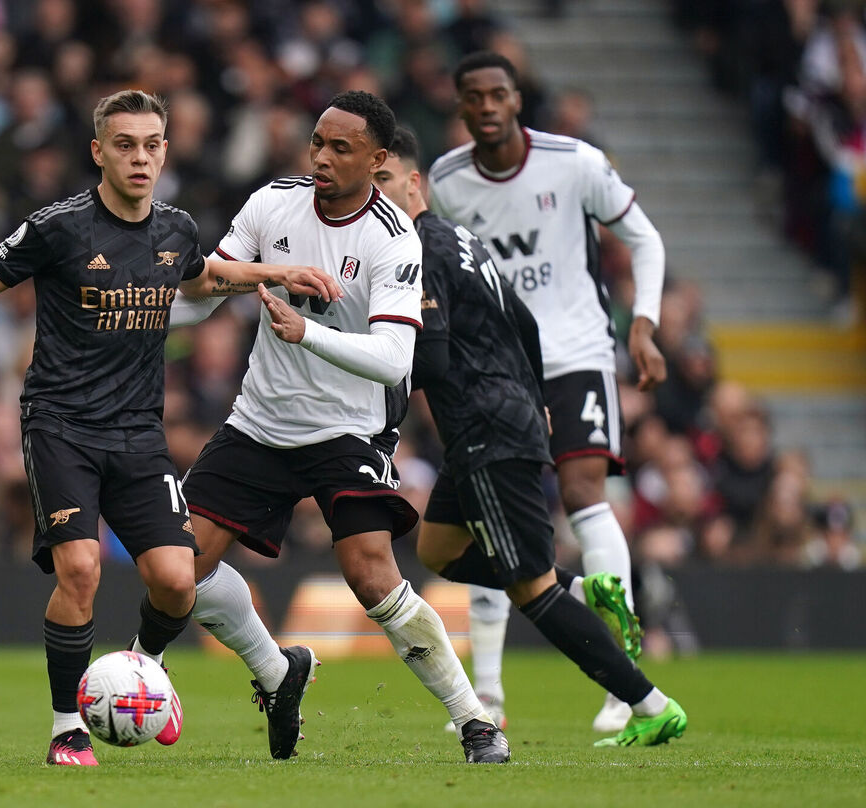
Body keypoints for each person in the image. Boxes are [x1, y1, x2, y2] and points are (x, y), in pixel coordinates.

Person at [0, 90, 341, 767]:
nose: (141, 157)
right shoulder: (59, 228)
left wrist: (279, 272)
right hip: (60, 427)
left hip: (138, 434)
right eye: (126, 145)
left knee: (178, 582)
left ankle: (143, 676)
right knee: (82, 568)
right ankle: (68, 729)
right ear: (99, 151)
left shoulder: (175, 229)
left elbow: (202, 278)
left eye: (153, 145)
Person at [172, 90, 510, 764]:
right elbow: (208, 287)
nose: (322, 157)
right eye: (317, 142)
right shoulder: (274, 202)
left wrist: (306, 335)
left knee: (369, 572)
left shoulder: (394, 237)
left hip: (349, 427)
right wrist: (161, 310)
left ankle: (476, 720)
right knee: (178, 570)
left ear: (377, 159)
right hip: (263, 420)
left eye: (341, 148)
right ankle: (277, 670)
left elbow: (393, 360)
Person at [375, 126, 686, 748]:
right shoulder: (465, 240)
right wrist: (537, 397)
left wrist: (377, 402)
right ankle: (584, 586)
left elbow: (429, 361)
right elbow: (523, 321)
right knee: (436, 549)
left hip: (485, 429)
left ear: (415, 184)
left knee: (530, 589)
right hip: (502, 418)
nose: (372, 195)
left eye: (383, 181)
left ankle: (648, 702)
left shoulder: (420, 248)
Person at [427, 51, 667, 732]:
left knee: (585, 493)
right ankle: (490, 697)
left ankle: (622, 688)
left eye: (499, 94)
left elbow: (643, 240)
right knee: (491, 514)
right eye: (474, 96)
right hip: (499, 371)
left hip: (579, 353)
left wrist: (643, 325)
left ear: (516, 99)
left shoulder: (575, 162)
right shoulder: (446, 182)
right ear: (462, 106)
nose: (488, 107)